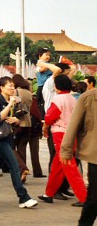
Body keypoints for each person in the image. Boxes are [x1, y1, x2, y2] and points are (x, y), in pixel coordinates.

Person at [0, 76, 38, 209]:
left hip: (9, 136)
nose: (12, 88)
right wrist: (10, 104)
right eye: (9, 85)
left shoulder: (16, 99)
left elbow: (20, 115)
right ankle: (23, 197)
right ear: (2, 87)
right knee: (15, 166)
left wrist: (16, 119)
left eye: (13, 85)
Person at [38, 75, 87, 206]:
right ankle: (49, 193)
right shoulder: (73, 99)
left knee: (68, 165)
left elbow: (50, 117)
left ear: (57, 87)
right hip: (72, 134)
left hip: (60, 134)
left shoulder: (58, 99)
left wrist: (45, 126)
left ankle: (84, 197)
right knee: (58, 165)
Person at [61, 77, 97, 225]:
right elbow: (73, 124)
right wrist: (66, 150)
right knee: (94, 198)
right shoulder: (89, 98)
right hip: (95, 155)